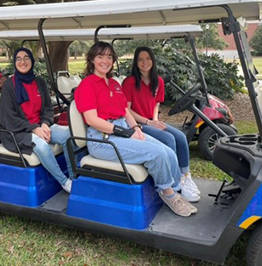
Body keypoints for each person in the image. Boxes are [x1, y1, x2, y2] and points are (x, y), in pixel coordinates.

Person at [74, 42, 196, 217]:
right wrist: (125, 132)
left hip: (122, 129)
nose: (105, 61)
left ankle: (175, 188)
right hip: (102, 139)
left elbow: (125, 111)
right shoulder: (87, 85)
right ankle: (167, 193)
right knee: (157, 154)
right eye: (100, 56)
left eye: (109, 57)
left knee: (167, 150)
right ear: (92, 59)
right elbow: (92, 120)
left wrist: (136, 128)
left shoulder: (114, 84)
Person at [122, 47, 201, 203]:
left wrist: (154, 120)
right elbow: (127, 110)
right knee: (168, 139)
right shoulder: (130, 82)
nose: (145, 62)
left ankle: (186, 176)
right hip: (135, 123)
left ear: (153, 60)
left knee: (180, 137)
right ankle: (174, 182)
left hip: (150, 120)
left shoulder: (157, 81)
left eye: (148, 58)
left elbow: (156, 104)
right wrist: (148, 122)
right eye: (140, 59)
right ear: (136, 63)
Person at [0, 48, 74, 193]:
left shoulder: (39, 82)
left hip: (40, 125)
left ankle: (73, 176)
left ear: (32, 61)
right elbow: (8, 118)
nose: (23, 62)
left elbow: (48, 108)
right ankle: (65, 183)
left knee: (68, 136)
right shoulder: (9, 85)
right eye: (18, 59)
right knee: (41, 146)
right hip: (17, 132)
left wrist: (45, 123)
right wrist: (34, 128)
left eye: (26, 58)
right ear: (14, 62)